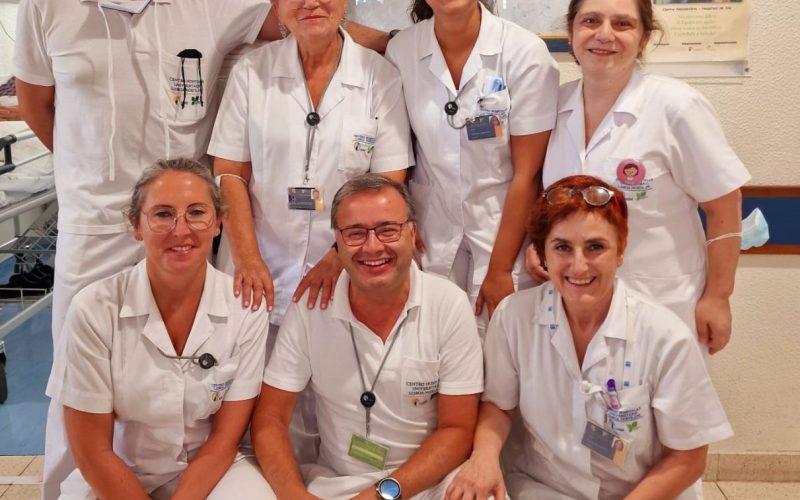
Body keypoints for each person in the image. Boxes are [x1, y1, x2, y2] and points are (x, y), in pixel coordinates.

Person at [12, 0, 390, 496]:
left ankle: (191, 480)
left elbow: (302, 17)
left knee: (201, 374)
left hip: (189, 228)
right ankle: (76, 484)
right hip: (98, 226)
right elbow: (36, 106)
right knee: (78, 385)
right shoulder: (46, 8)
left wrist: (412, 44)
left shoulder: (213, 4)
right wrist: (90, 172)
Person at [446, 175, 733, 500]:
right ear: (542, 253)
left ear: (621, 250)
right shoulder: (514, 318)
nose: (579, 266)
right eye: (562, 248)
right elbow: (498, 406)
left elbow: (688, 458)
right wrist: (483, 459)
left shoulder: (666, 337)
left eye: (595, 247)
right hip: (546, 489)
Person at [251, 174, 483, 500]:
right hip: (337, 484)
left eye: (388, 230)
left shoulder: (448, 304)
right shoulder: (311, 308)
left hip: (428, 483)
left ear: (412, 233)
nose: (372, 246)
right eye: (356, 233)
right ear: (337, 241)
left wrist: (381, 494)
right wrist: (293, 495)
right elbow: (270, 418)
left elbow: (457, 430)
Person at [53, 159, 275, 499]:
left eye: (196, 213)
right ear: (135, 225)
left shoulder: (245, 308)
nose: (181, 230)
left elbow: (224, 439)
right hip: (120, 471)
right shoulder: (94, 309)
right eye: (162, 214)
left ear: (218, 222)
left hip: (213, 468)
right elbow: (92, 451)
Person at [539, 0, 751, 354]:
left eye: (622, 24)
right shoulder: (553, 107)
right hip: (575, 305)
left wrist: (718, 296)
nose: (604, 34)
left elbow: (725, 205)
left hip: (663, 303)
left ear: (644, 38)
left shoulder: (677, 106)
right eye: (591, 21)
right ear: (571, 32)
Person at [383, 0, 558, 337]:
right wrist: (401, 233)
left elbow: (528, 174)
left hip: (503, 235)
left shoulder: (524, 52)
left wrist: (501, 269)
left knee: (502, 352)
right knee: (434, 349)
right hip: (430, 233)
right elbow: (400, 155)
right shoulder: (402, 50)